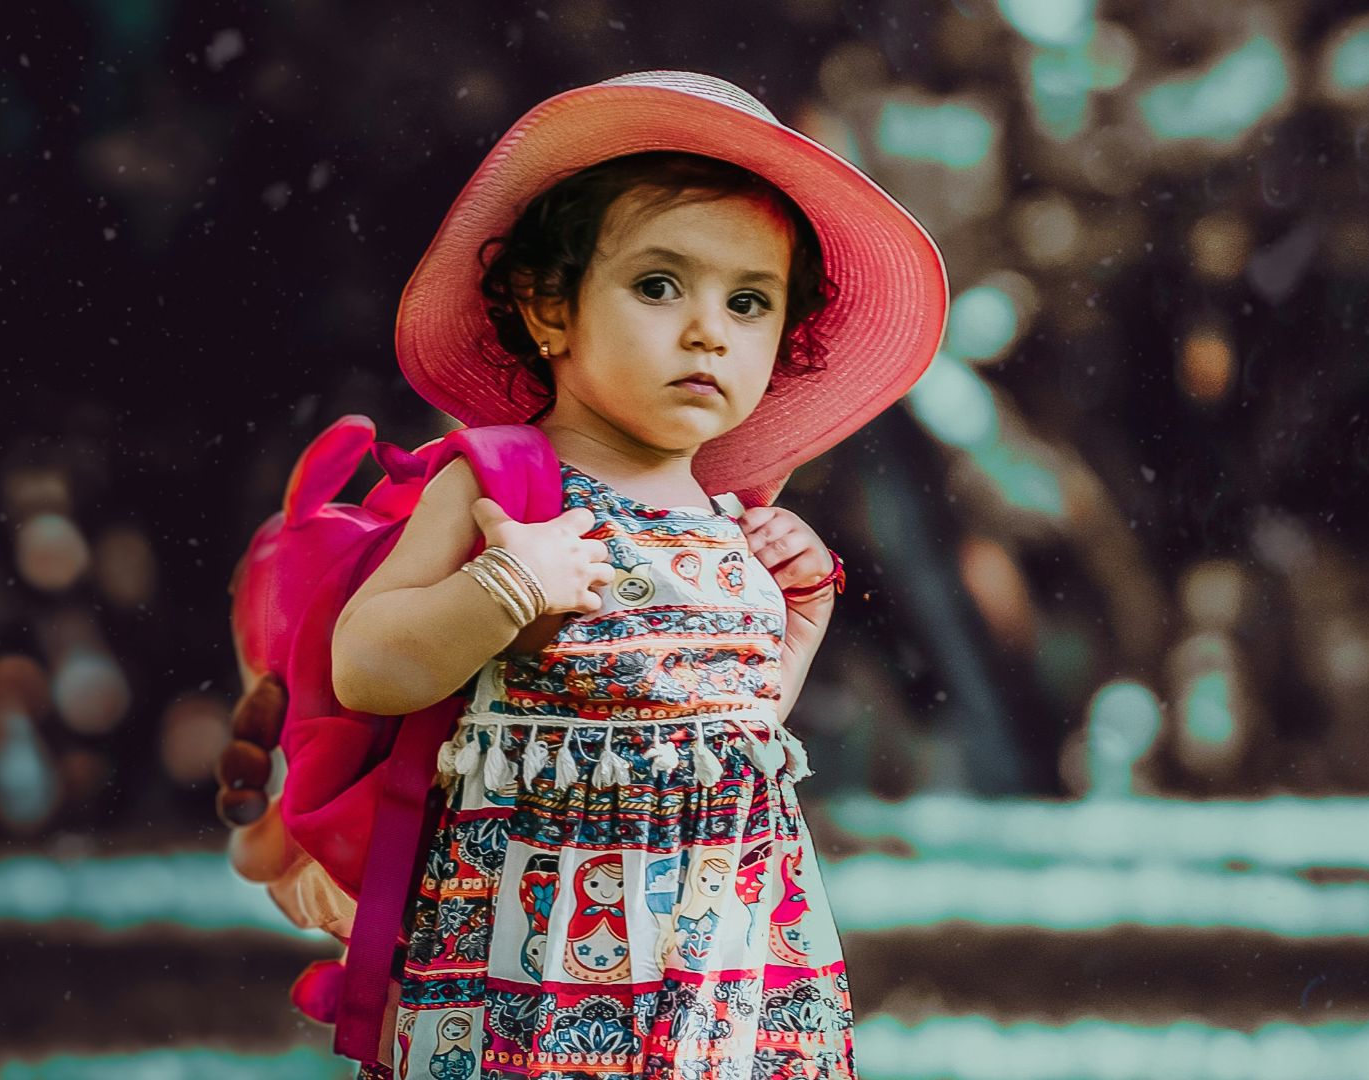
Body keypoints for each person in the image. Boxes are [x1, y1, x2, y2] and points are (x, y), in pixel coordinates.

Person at [330, 70, 947, 1078]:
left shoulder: (734, 526)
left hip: (725, 956)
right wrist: (500, 591)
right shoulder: (505, 489)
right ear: (546, 306)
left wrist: (794, 628)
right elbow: (365, 666)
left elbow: (730, 744)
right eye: (659, 285)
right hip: (540, 955)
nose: (708, 328)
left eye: (749, 302)